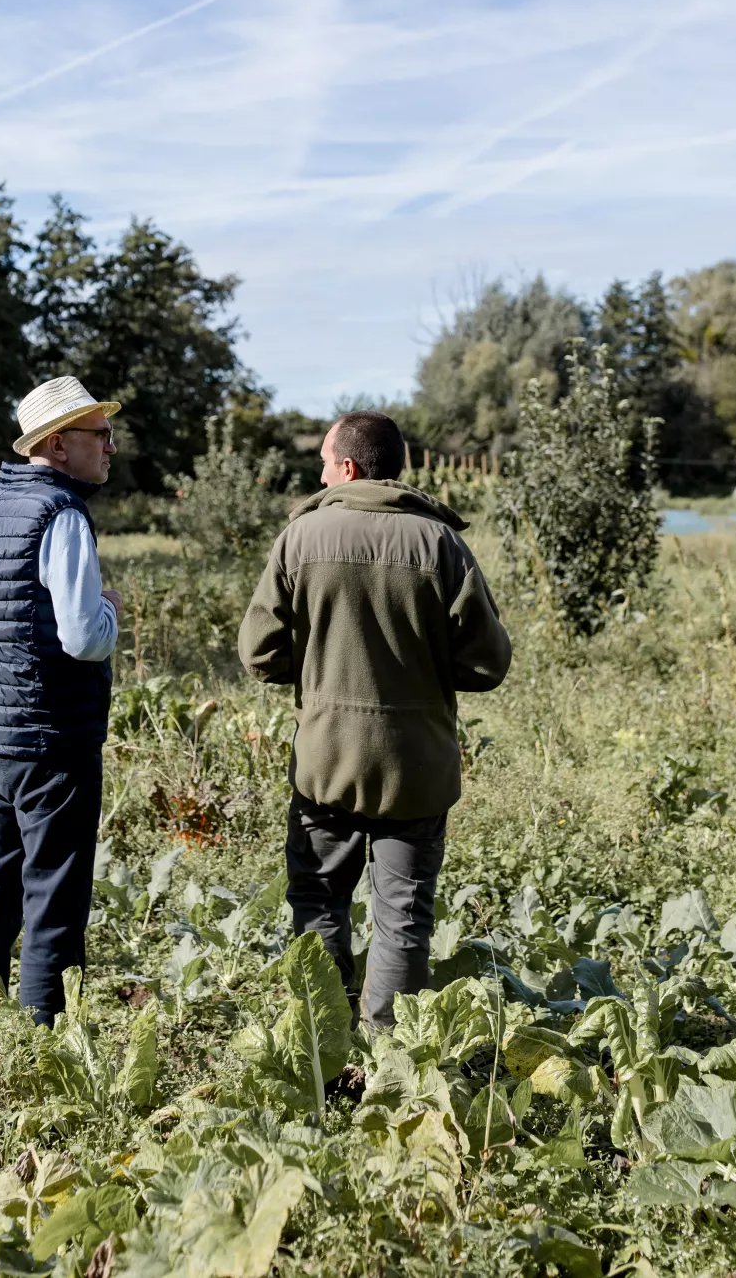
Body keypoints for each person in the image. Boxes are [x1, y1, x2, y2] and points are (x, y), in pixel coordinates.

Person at [237, 411, 511, 1030]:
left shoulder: (300, 540)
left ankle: (324, 1039)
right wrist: (425, 678)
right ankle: (393, 1056)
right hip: (414, 764)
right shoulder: (439, 543)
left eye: (326, 464)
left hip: (325, 760)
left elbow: (258, 654)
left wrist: (321, 680)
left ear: (350, 468)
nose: (322, 475)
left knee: (318, 897)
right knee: (404, 912)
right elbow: (488, 662)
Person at [0, 375, 123, 1024]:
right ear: (58, 443)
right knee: (54, 900)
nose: (110, 446)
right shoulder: (62, 516)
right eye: (99, 434)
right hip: (55, 744)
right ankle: (42, 1053)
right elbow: (82, 638)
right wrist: (111, 611)